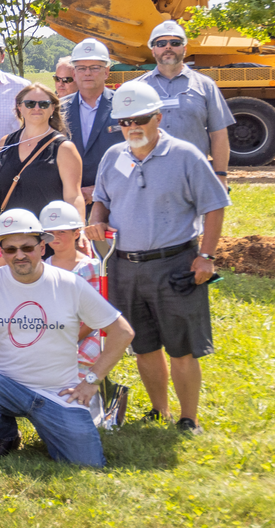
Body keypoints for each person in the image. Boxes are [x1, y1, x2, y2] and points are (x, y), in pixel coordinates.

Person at [87, 81, 229, 433]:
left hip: (175, 264)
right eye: (124, 121)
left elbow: (215, 206)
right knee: (143, 345)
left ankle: (188, 418)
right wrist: (96, 219)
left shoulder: (185, 155)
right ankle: (159, 410)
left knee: (181, 348)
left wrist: (206, 256)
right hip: (125, 266)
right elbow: (101, 199)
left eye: (141, 118)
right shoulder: (113, 157)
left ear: (158, 118)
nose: (133, 126)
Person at [0, 208, 135, 465]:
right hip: (3, 385)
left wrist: (91, 381)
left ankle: (51, 425)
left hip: (58, 393)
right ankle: (6, 434)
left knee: (88, 465)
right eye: (10, 250)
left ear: (42, 247)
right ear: (1, 251)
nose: (19, 255)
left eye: (27, 247)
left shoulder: (70, 284)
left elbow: (123, 332)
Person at [126, 20, 234, 181]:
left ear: (184, 49)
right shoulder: (137, 88)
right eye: (161, 43)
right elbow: (126, 136)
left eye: (175, 42)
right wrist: (128, 176)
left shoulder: (206, 86)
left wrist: (221, 176)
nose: (168, 47)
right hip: (149, 176)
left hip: (195, 175)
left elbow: (218, 134)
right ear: (153, 49)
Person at [0, 82, 83, 215]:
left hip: (47, 231)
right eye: (30, 104)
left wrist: (79, 231)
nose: (37, 108)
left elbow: (73, 196)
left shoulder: (64, 148)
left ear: (52, 108)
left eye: (43, 104)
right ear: (20, 107)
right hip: (6, 230)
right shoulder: (5, 143)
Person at [62, 38, 119, 201]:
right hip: (69, 200)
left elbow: (133, 156)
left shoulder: (123, 108)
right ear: (74, 73)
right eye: (81, 68)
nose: (87, 73)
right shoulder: (57, 110)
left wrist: (99, 190)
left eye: (95, 68)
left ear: (107, 72)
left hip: (114, 199)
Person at [40, 199, 102, 291]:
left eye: (61, 232)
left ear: (76, 233)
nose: (55, 236)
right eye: (50, 232)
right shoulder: (43, 266)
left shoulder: (90, 267)